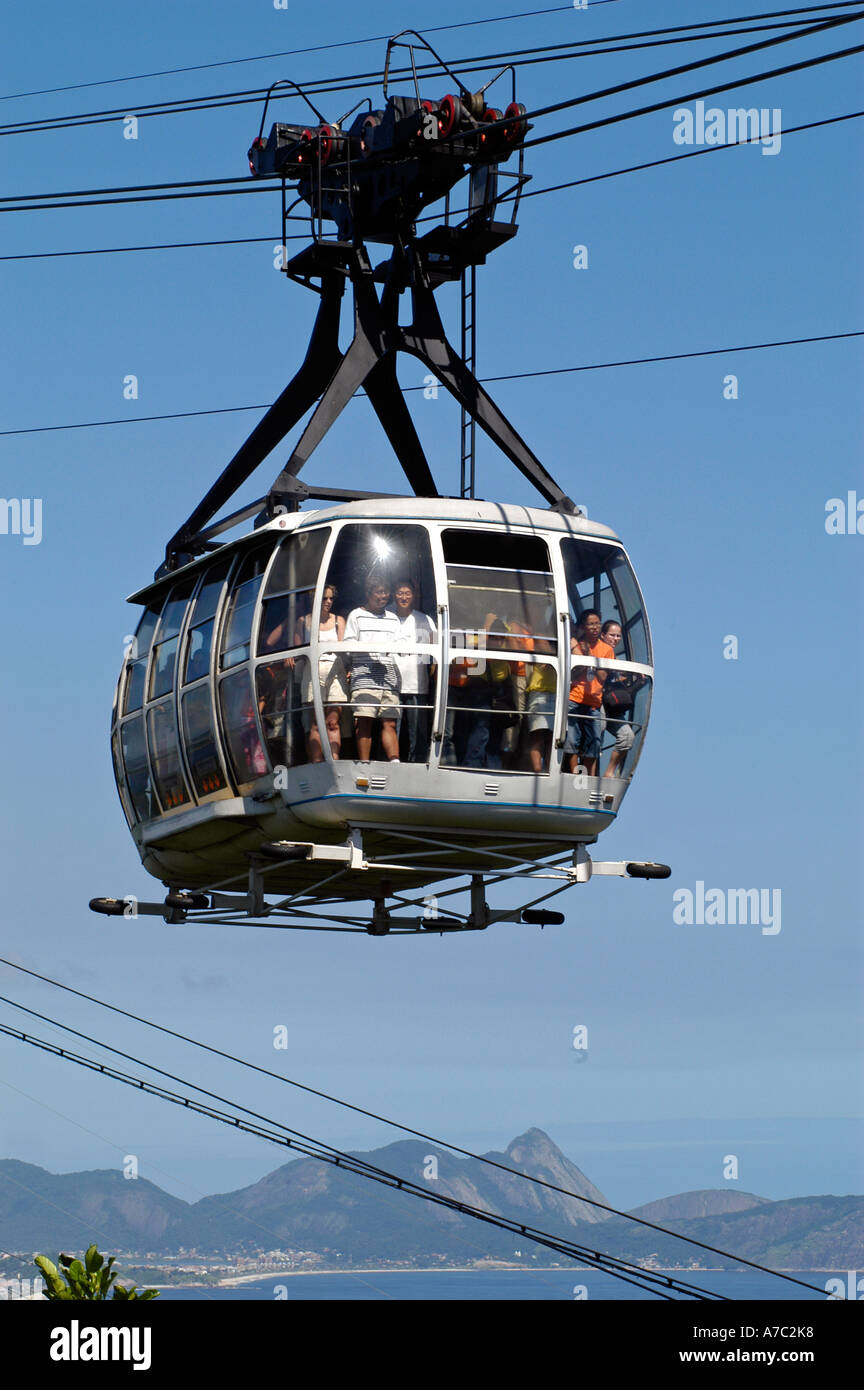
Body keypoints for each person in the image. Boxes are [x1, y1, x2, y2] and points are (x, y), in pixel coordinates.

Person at [343, 578, 402, 762]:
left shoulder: (393, 618)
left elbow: (400, 643)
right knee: (364, 721)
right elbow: (348, 644)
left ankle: (394, 762)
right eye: (379, 592)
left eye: (385, 592)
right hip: (364, 676)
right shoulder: (355, 615)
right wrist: (371, 648)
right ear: (368, 594)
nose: (383, 596)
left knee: (390, 722)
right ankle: (365, 764)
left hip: (388, 676)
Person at [295, 584, 347, 762]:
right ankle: (317, 762)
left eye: (331, 598)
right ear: (315, 599)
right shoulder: (303, 621)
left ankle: (334, 759)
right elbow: (298, 650)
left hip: (335, 670)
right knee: (316, 723)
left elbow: (343, 648)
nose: (328, 601)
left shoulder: (339, 620)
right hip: (313, 671)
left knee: (333, 722)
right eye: (324, 598)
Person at [564, 609, 614, 777]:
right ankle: (575, 775)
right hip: (575, 697)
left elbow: (602, 676)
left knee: (593, 743)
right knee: (572, 740)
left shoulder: (606, 649)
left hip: (593, 701)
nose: (595, 627)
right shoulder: (575, 644)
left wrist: (588, 655)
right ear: (583, 626)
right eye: (591, 624)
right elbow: (573, 673)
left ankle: (588, 778)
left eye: (597, 623)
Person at [393, 578, 437, 763]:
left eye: (407, 593)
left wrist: (433, 673)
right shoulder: (386, 615)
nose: (404, 597)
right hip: (390, 683)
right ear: (394, 594)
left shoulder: (424, 619)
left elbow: (436, 650)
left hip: (417, 684)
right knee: (390, 728)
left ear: (414, 595)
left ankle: (416, 765)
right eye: (400, 593)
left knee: (418, 733)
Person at [600, 619, 641, 779]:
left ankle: (609, 771)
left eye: (618, 636)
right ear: (603, 635)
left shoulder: (613, 656)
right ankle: (590, 768)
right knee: (599, 728)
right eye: (612, 635)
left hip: (611, 704)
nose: (615, 639)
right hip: (596, 701)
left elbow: (614, 678)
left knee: (627, 736)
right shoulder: (597, 650)